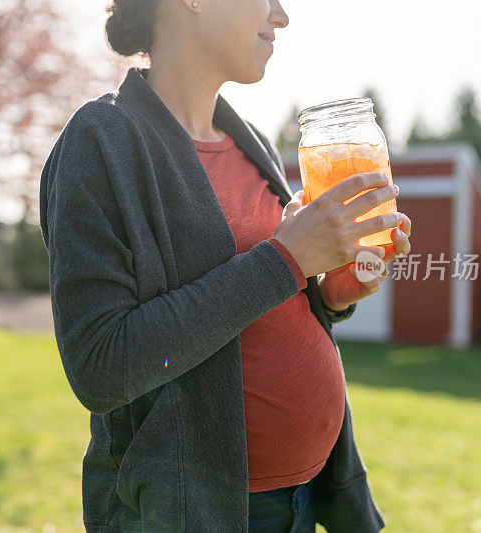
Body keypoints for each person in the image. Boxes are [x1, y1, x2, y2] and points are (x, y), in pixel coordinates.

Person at [39, 0, 411, 531]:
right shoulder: (101, 143)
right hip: (201, 515)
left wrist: (328, 295)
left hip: (307, 496)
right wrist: (285, 261)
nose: (281, 16)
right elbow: (101, 367)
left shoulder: (251, 141)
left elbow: (262, 305)